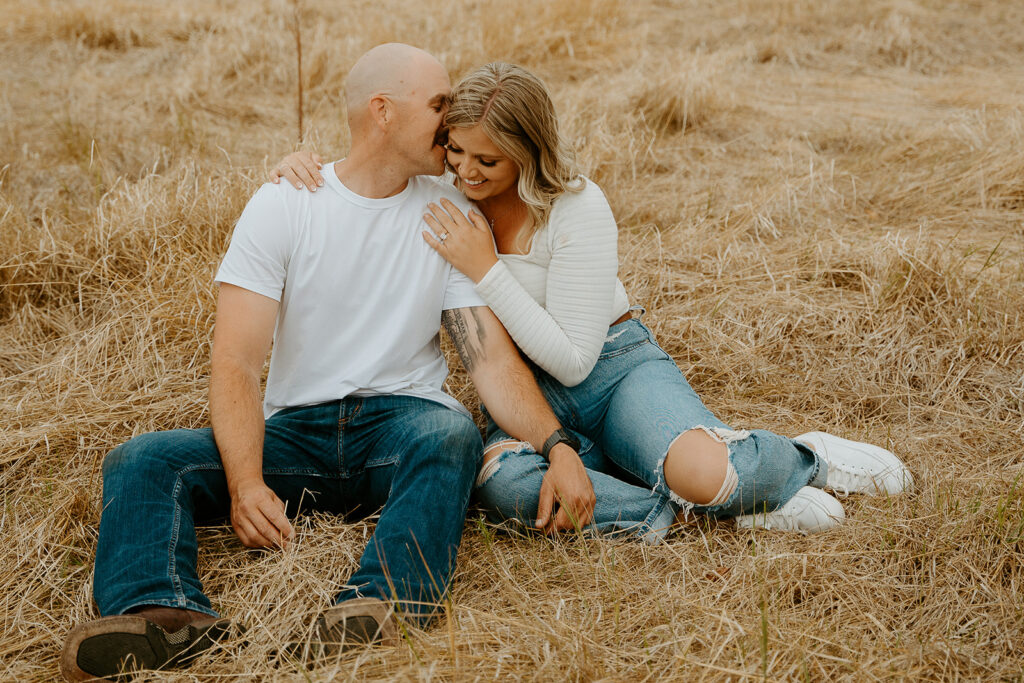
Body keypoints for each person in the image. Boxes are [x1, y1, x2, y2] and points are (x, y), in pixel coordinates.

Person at [60, 45, 594, 682]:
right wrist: (247, 482)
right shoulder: (285, 204)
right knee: (142, 459)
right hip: (295, 435)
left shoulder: (447, 213)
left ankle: (379, 607)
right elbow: (235, 361)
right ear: (383, 111)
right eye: (438, 105)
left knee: (450, 433)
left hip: (403, 430)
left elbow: (488, 361)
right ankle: (163, 618)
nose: (453, 123)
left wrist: (557, 445)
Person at [272, 61, 913, 542]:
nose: (465, 171)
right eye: (456, 150)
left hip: (613, 367)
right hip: (527, 395)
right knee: (502, 487)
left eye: (488, 161)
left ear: (526, 153)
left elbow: (576, 361)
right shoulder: (446, 194)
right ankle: (693, 510)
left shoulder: (576, 205)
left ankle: (800, 460)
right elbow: (373, 166)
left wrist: (487, 270)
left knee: (696, 467)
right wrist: (304, 168)